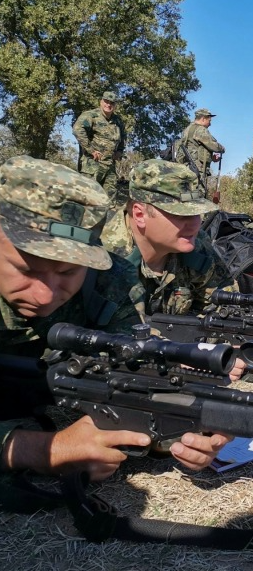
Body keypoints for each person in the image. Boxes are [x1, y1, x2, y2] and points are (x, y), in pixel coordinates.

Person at [0, 156, 226, 481]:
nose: (45, 294)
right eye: (26, 270)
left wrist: (195, 424)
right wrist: (42, 449)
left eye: (67, 272)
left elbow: (140, 372)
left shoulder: (110, 279)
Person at [101, 159, 238, 316]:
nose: (195, 224)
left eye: (196, 213)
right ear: (139, 214)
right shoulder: (100, 255)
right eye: (180, 214)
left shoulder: (197, 246)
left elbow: (224, 309)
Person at [72, 91, 127, 205]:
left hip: (110, 166)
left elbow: (123, 137)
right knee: (86, 198)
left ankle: (106, 221)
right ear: (101, 102)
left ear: (115, 105)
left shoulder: (118, 121)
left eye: (112, 103)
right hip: (92, 165)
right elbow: (77, 129)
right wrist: (90, 150)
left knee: (110, 201)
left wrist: (120, 151)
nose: (108, 105)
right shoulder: (91, 115)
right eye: (106, 101)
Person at [177, 108, 225, 194]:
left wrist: (211, 156)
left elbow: (196, 148)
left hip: (186, 167)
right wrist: (222, 149)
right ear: (203, 119)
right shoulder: (200, 130)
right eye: (209, 120)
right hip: (197, 169)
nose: (210, 124)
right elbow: (213, 145)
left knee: (187, 194)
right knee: (198, 194)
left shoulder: (187, 129)